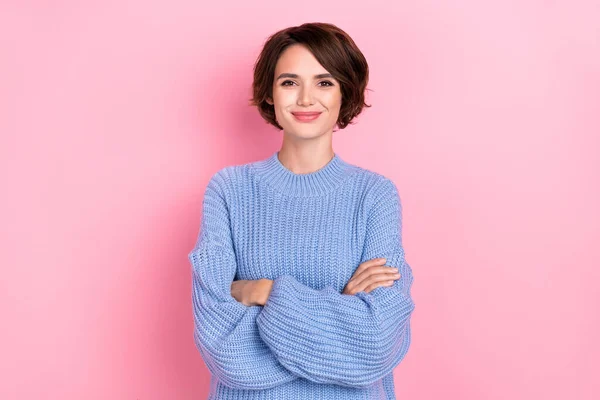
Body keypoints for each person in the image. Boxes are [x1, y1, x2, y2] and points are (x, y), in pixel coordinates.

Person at [189, 22, 415, 399]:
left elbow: (374, 344)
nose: (306, 99)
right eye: (290, 82)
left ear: (346, 92)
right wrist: (339, 313)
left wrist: (264, 291)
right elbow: (224, 348)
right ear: (270, 93)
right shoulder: (229, 191)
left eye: (324, 82)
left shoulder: (374, 195)